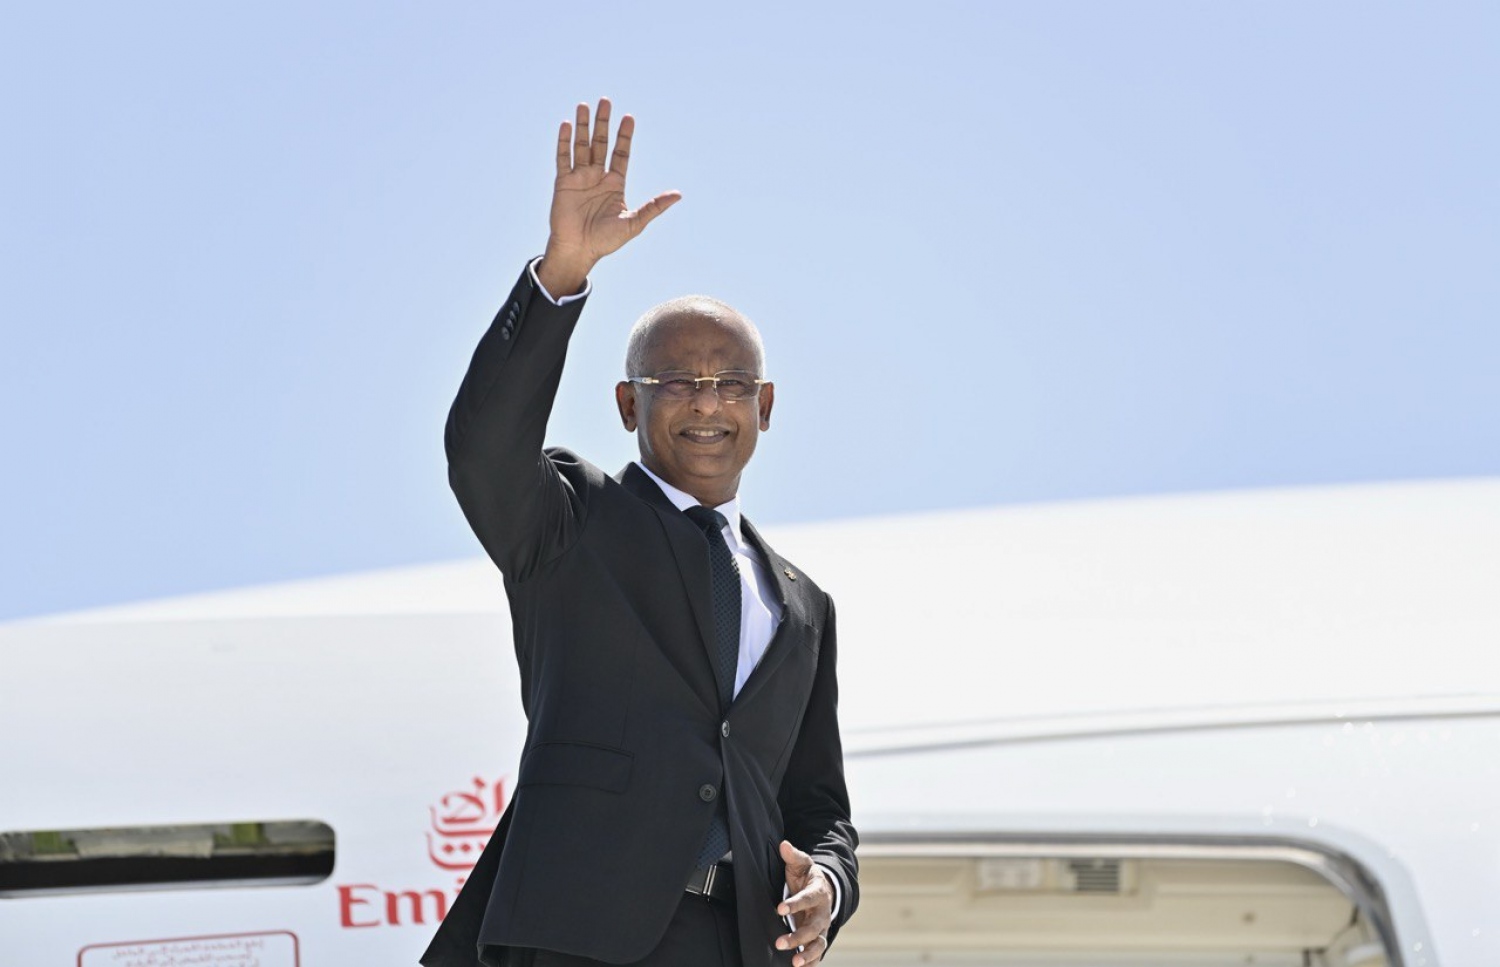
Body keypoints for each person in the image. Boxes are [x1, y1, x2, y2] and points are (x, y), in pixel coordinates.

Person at [419, 99, 858, 967]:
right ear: (628, 403)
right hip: (579, 936)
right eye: (677, 381)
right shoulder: (571, 523)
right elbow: (483, 448)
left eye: (731, 383)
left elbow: (818, 805)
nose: (706, 402)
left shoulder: (804, 606)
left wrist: (830, 884)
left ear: (765, 406)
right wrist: (562, 273)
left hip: (740, 943)